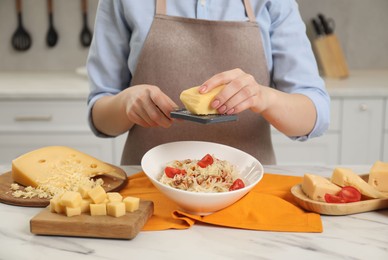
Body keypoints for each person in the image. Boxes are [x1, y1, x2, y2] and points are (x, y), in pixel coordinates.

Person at [87, 0, 330, 165]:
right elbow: (100, 117)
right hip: (150, 193)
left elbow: (315, 114)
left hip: (247, 193)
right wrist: (124, 104)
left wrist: (263, 97)